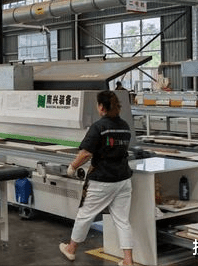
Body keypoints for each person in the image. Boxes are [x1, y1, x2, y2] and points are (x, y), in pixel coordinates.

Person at [59, 90, 134, 266]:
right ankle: (128, 260)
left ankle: (71, 249)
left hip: (102, 180)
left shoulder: (99, 127)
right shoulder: (124, 126)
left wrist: (72, 167)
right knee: (122, 220)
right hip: (123, 179)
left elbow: (86, 153)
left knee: (85, 215)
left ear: (101, 107)